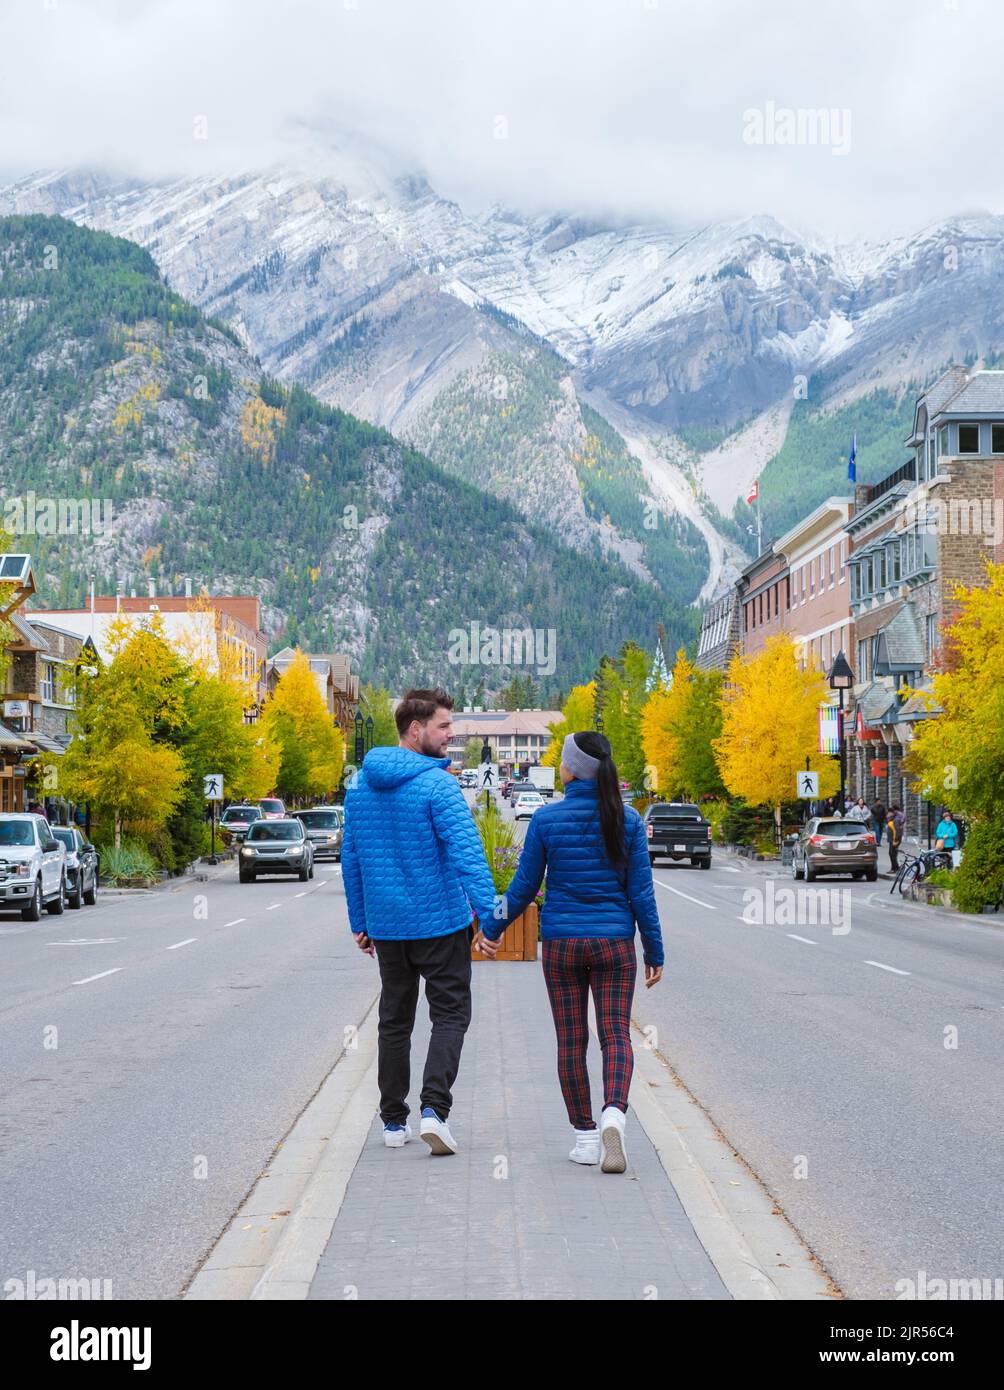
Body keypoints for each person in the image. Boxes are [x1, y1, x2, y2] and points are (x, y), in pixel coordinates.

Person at [481, 730, 664, 1174]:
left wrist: (491, 926)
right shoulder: (630, 822)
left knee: (571, 1039)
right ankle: (614, 1116)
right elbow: (642, 894)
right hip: (615, 944)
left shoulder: (546, 821)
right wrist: (654, 949)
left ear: (570, 770)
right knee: (616, 1034)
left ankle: (584, 1138)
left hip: (562, 944)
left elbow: (523, 888)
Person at [341, 687, 500, 1156]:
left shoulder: (359, 787)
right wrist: (490, 923)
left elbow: (352, 859)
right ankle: (434, 1111)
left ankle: (393, 1122)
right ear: (416, 730)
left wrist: (360, 921)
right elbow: (469, 858)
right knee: (451, 1013)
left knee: (394, 1019)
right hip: (441, 923)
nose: (452, 735)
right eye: (444, 727)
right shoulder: (439, 786)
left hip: (389, 928)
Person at [886, 804, 905, 873]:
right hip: (892, 840)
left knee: (892, 853)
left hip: (894, 840)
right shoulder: (892, 819)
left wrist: (895, 840)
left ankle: (895, 868)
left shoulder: (896, 820)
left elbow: (897, 831)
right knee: (892, 853)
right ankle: (895, 868)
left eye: (888, 812)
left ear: (892, 813)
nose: (887, 814)